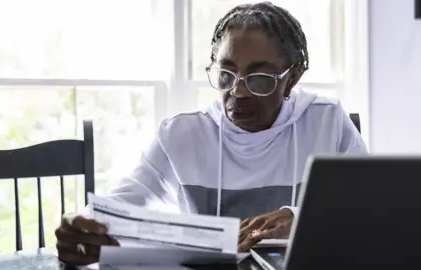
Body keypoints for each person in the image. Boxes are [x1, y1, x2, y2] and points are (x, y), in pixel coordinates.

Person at [55, 1, 367, 265]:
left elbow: (368, 210)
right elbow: (121, 204)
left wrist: (299, 219)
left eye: (259, 78)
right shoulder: (181, 134)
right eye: (226, 73)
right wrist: (81, 225)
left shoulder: (326, 122)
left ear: (293, 77)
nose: (238, 91)